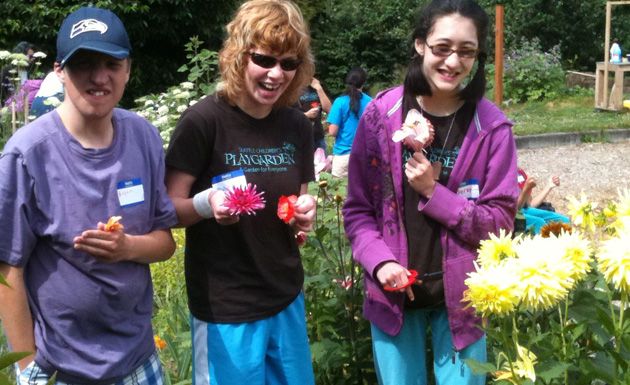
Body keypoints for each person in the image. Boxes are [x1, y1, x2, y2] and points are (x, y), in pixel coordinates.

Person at [342, 0, 519, 384]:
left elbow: (500, 224)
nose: (453, 62)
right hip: (393, 295)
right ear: (421, 45)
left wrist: (433, 193)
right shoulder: (380, 115)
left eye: (466, 51)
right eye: (442, 48)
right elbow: (357, 210)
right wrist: (380, 263)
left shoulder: (492, 129)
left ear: (477, 56)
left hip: (466, 298)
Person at [0, 7, 178, 384]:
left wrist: (126, 247)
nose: (100, 78)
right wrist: (26, 367)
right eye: (84, 64)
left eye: (112, 63)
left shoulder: (144, 137)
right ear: (60, 70)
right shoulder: (27, 154)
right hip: (60, 370)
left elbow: (165, 243)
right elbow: (7, 269)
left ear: (128, 68)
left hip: (140, 360)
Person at [164, 0, 317, 383]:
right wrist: (206, 204)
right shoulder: (204, 120)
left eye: (289, 63)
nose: (275, 74)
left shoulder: (297, 124)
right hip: (227, 307)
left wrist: (305, 212)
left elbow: (298, 201)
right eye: (264, 60)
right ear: (238, 56)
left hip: (285, 296)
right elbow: (166, 209)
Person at [327, 67, 372, 177]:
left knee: (338, 191)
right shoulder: (371, 102)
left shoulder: (340, 101)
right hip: (364, 154)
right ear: (363, 82)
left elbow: (332, 131)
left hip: (343, 154)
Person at [517, 168, 570, 233]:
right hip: (512, 214)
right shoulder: (503, 175)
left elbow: (529, 204)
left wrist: (549, 186)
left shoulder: (519, 173)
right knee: (539, 223)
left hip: (524, 210)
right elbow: (514, 210)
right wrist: (526, 190)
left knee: (564, 221)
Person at [296, 77, 331, 154]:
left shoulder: (315, 87)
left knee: (323, 165)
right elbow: (287, 115)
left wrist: (319, 89)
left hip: (318, 136)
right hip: (301, 137)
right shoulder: (293, 88)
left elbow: (329, 109)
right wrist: (306, 115)